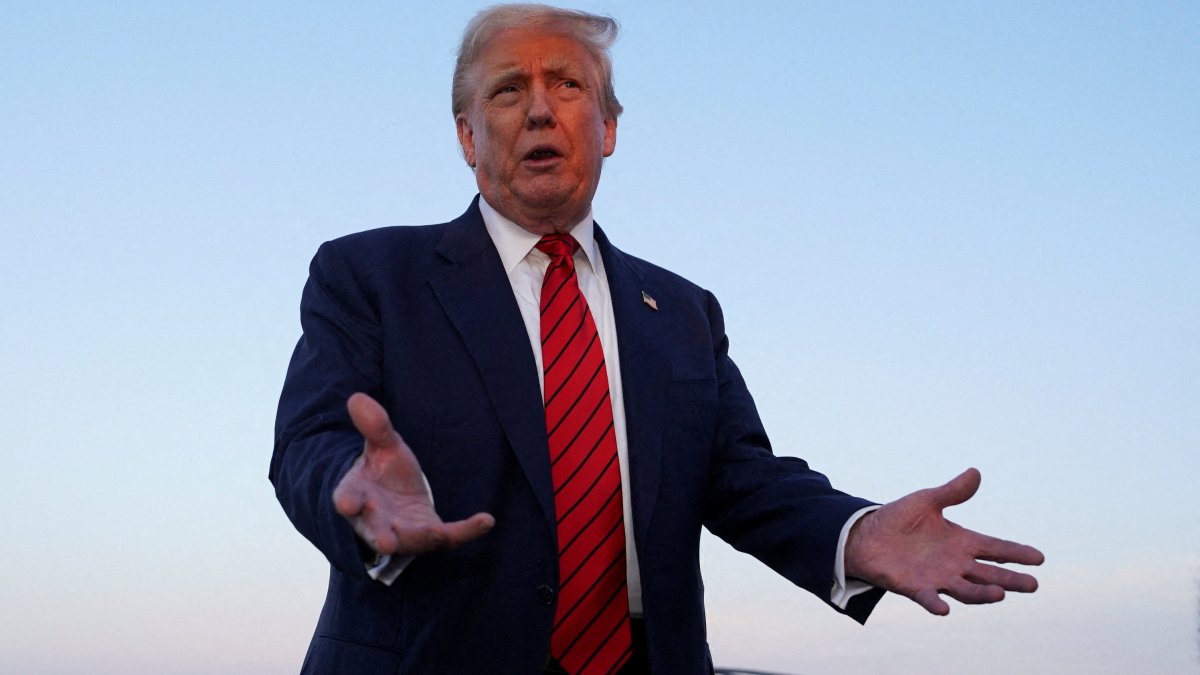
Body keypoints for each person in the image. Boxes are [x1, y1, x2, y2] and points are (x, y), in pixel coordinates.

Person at [271, 5, 1044, 674]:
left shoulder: (680, 311)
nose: (539, 109)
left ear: (607, 128)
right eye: (508, 90)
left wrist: (855, 531)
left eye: (566, 85)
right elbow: (311, 441)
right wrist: (357, 498)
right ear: (468, 137)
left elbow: (742, 478)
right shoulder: (371, 275)